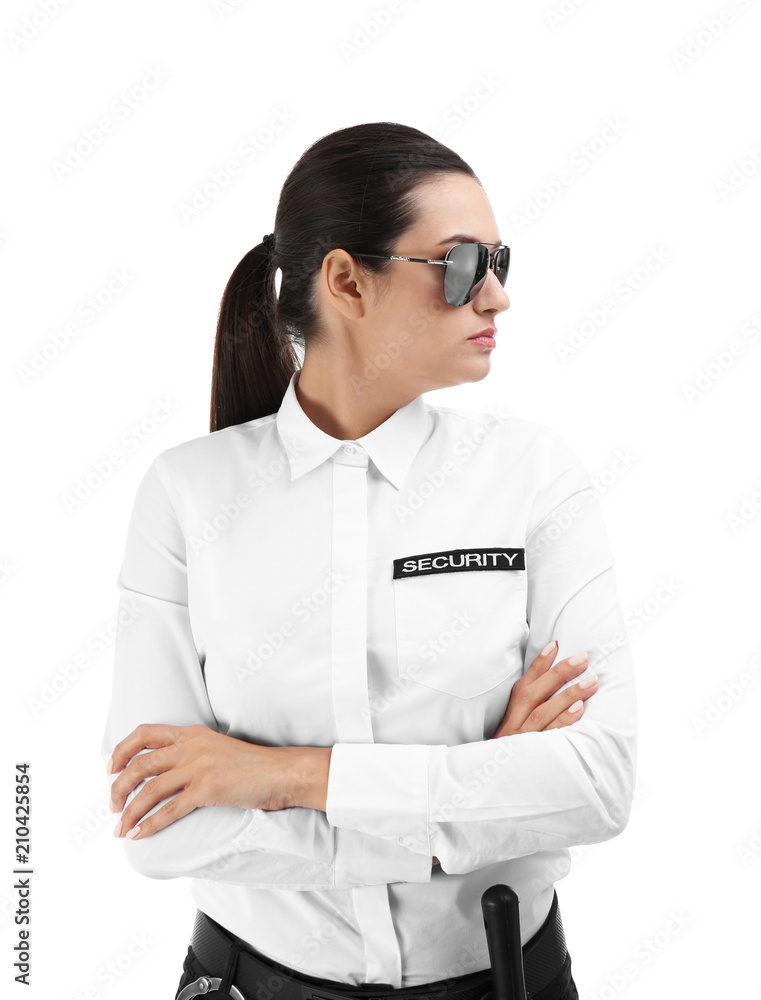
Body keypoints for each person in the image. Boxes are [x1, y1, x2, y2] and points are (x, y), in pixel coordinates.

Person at [100, 121, 637, 1000]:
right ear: (347, 280)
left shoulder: (534, 476)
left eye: (502, 261)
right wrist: (476, 799)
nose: (496, 297)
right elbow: (160, 828)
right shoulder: (186, 495)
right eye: (463, 265)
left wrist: (285, 776)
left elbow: (596, 785)